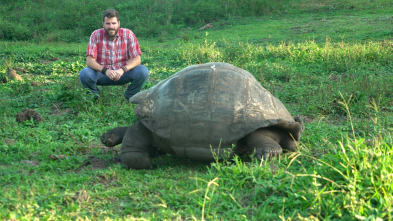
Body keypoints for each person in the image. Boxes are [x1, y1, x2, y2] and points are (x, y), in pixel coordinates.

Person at [79, 9, 149, 101]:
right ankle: (94, 97)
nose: (111, 26)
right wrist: (105, 71)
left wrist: (122, 70)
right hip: (102, 74)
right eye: (108, 23)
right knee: (85, 73)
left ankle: (130, 96)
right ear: (103, 24)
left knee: (143, 71)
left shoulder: (128, 34)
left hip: (123, 73)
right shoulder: (96, 35)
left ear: (118, 23)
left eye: (113, 23)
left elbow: (137, 59)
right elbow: (90, 61)